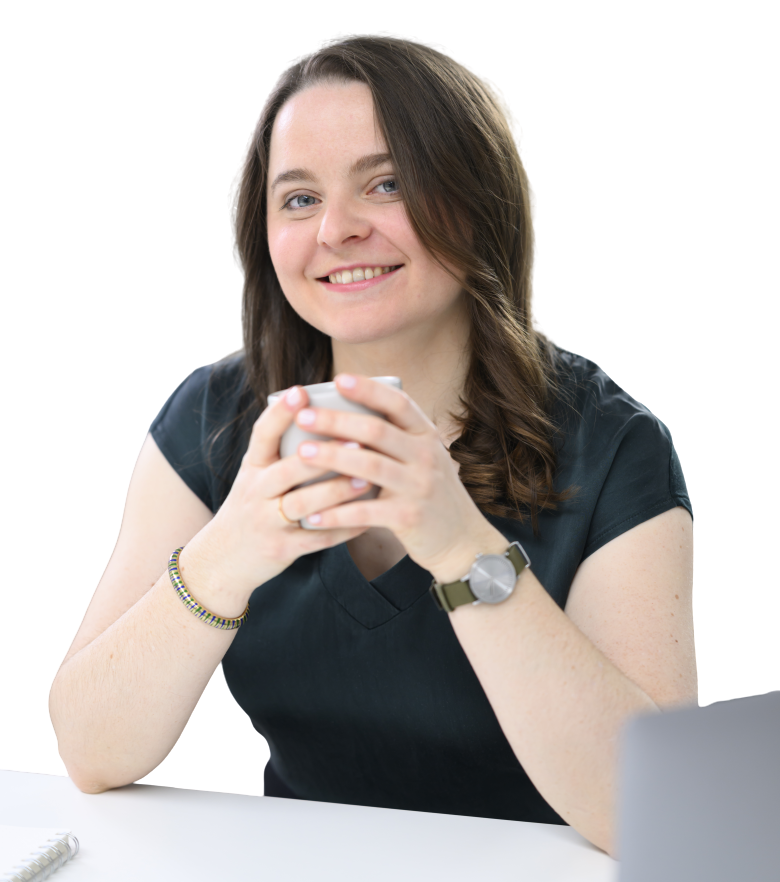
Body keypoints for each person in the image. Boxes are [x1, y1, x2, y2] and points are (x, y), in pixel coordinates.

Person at [48, 33, 695, 861]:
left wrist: (461, 548)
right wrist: (229, 551)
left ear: (478, 200)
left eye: (385, 184)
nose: (337, 230)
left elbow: (664, 813)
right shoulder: (214, 416)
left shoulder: (615, 445)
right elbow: (90, 750)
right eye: (299, 199)